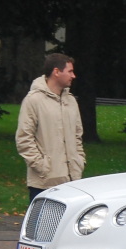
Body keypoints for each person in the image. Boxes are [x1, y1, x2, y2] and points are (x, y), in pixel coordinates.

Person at [16, 53, 86, 202]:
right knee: (41, 224)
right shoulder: (34, 100)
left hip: (72, 181)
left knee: (67, 225)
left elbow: (77, 136)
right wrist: (42, 167)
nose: (73, 76)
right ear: (56, 72)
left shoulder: (71, 101)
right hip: (43, 183)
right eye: (70, 71)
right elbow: (24, 138)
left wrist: (79, 161)